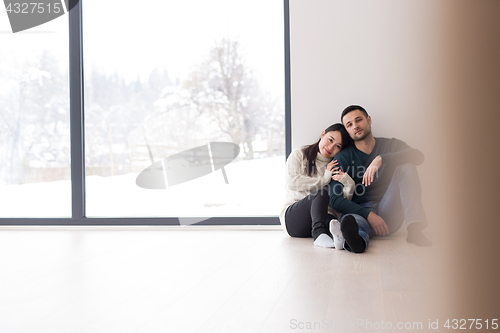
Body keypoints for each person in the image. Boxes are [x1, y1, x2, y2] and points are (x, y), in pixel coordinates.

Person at [328, 105, 432, 253]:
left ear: (368, 120)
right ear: (347, 130)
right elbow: (335, 199)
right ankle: (357, 242)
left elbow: (418, 156)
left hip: (388, 212)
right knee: (353, 223)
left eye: (359, 120)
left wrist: (381, 159)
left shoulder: (390, 145)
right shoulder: (342, 157)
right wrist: (369, 215)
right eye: (349, 125)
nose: (355, 126)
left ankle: (415, 230)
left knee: (407, 166)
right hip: (360, 213)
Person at [280, 123, 364, 248]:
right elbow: (293, 182)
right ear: (323, 134)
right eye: (330, 140)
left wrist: (349, 183)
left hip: (322, 219)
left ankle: (346, 241)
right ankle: (319, 235)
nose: (330, 147)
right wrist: (324, 179)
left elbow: (340, 203)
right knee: (321, 193)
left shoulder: (335, 166)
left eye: (337, 146)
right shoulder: (299, 154)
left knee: (334, 221)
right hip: (294, 219)